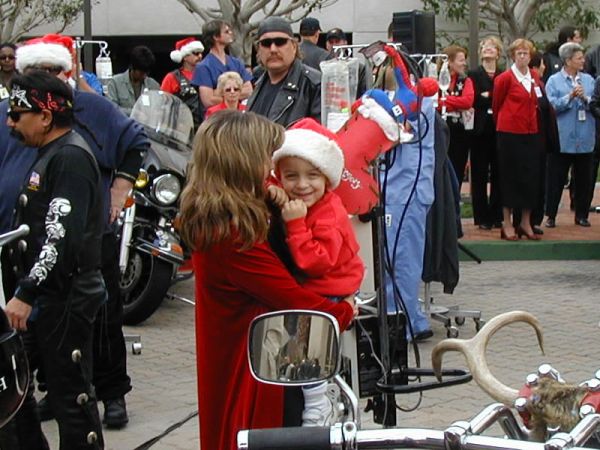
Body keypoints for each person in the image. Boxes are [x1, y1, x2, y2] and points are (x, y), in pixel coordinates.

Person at [178, 110, 355, 450]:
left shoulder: (224, 214)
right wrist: (345, 310)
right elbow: (293, 299)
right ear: (243, 162)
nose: (269, 167)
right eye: (265, 157)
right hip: (254, 367)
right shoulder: (231, 234)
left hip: (251, 353)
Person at [0, 33, 147, 433]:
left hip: (75, 258)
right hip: (26, 249)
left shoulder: (78, 133)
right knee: (39, 357)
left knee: (96, 334)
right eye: (35, 71)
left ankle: (110, 393)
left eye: (51, 70)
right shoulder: (20, 118)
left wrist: (118, 191)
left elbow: (61, 234)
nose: (44, 77)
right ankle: (52, 393)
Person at [2, 70, 105, 449]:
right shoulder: (52, 154)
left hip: (64, 299)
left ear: (45, 116)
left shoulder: (70, 158)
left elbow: (60, 237)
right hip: (47, 296)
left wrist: (27, 292)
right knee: (18, 389)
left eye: (17, 114)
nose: (10, 123)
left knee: (71, 399)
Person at [269, 118, 364, 426]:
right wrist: (273, 189)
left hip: (329, 287)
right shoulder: (302, 200)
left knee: (306, 347)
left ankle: (318, 404)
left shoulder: (329, 214)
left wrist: (295, 224)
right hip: (318, 285)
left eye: (312, 175)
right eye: (291, 176)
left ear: (327, 177)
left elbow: (316, 262)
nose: (302, 185)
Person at [492, 38, 544, 241]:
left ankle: (525, 221)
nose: (523, 57)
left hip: (531, 133)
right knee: (509, 177)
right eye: (519, 53)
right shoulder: (504, 78)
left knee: (530, 177)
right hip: (509, 133)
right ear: (513, 56)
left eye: (526, 53)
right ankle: (506, 223)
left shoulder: (534, 76)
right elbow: (497, 105)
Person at [545, 42, 596, 228]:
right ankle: (551, 215)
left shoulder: (589, 80)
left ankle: (581, 215)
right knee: (556, 179)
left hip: (585, 137)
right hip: (562, 137)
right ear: (568, 60)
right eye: (579, 58)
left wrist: (585, 98)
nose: (583, 61)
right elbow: (551, 106)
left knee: (584, 179)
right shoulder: (554, 81)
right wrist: (570, 97)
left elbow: (596, 103)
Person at [247, 16, 321, 126]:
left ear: (294, 46)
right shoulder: (258, 84)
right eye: (266, 43)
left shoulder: (315, 85)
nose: (273, 49)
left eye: (280, 42)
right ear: (258, 49)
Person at [467, 36, 503, 230]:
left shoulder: (503, 75)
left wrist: (488, 95)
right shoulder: (473, 75)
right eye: (485, 47)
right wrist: (490, 96)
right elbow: (473, 99)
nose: (488, 49)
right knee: (479, 173)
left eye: (492, 47)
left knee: (499, 172)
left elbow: (503, 98)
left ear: (498, 53)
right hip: (479, 129)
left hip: (499, 128)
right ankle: (481, 217)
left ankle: (497, 215)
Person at [191, 20, 252, 111]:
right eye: (226, 31)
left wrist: (217, 92)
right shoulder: (203, 67)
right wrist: (237, 92)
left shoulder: (236, 63)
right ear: (216, 37)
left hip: (238, 115)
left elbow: (249, 90)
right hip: (216, 116)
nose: (231, 33)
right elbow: (208, 100)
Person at [439, 45, 475, 183]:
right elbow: (435, 103)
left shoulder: (466, 81)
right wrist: (456, 103)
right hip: (441, 130)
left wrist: (446, 100)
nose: (464, 63)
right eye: (461, 60)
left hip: (460, 132)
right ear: (449, 61)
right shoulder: (436, 80)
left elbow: (467, 102)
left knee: (458, 168)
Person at [161, 37, 204, 126]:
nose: (200, 56)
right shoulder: (172, 77)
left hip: (204, 124)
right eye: (196, 53)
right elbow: (163, 103)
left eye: (201, 53)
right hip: (181, 125)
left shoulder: (206, 74)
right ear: (185, 57)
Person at [107, 45, 160, 115]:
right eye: (141, 73)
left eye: (146, 73)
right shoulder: (115, 83)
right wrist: (136, 113)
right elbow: (112, 109)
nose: (144, 76)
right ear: (132, 67)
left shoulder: (153, 85)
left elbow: (158, 110)